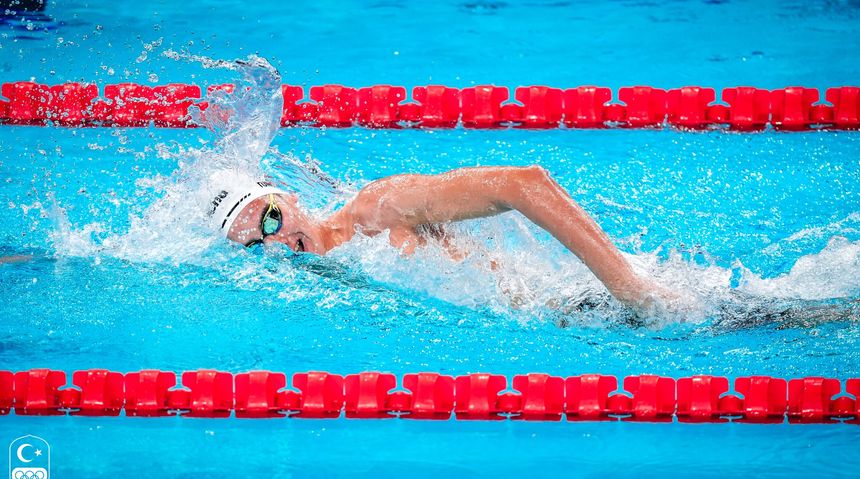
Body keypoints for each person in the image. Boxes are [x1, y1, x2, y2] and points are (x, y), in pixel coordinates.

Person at [209, 164, 674, 318]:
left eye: (270, 219)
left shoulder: (376, 210)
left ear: (288, 198)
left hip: (598, 309)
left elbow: (523, 183)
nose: (276, 243)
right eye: (254, 244)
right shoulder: (318, 285)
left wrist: (633, 293)